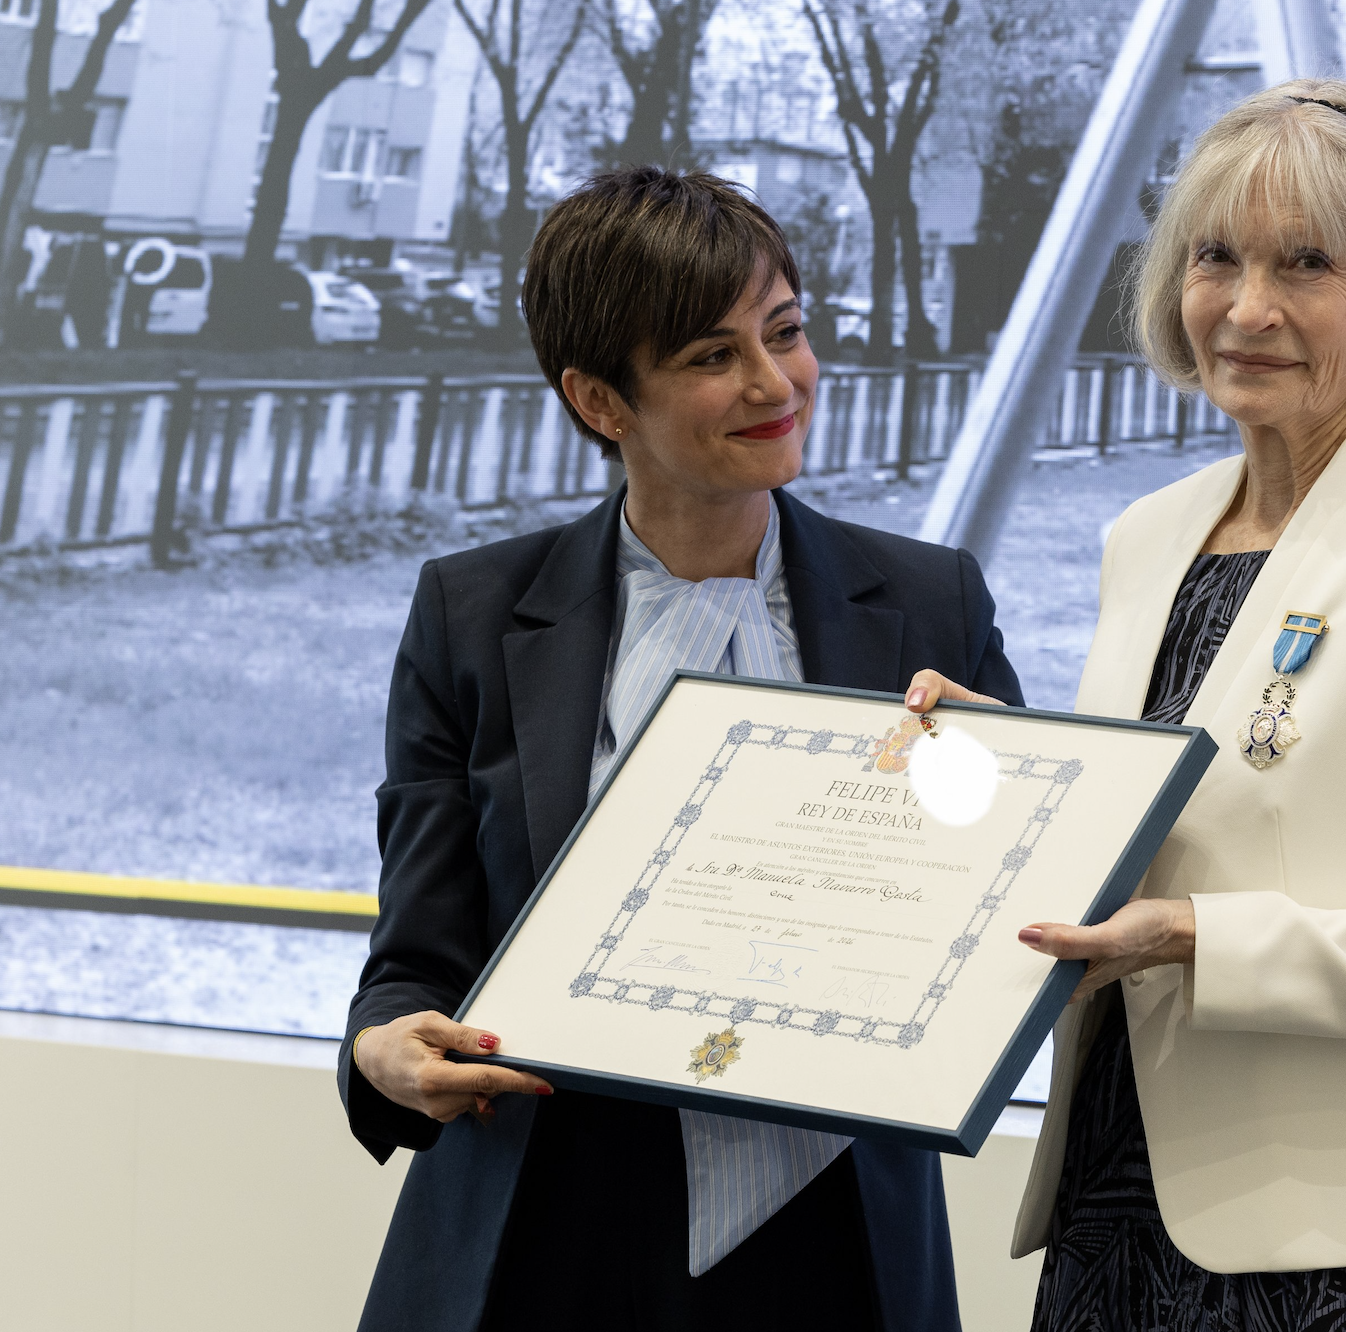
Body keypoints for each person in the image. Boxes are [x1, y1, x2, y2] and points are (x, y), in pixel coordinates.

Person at [916, 79, 1346, 1330]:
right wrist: (990, 770)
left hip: (1343, 1250)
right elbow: (1155, 831)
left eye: (1307, 263)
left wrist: (1196, 939)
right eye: (1213, 256)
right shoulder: (1149, 534)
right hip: (1109, 1209)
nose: (1247, 307)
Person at [338, 167, 1021, 1332]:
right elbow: (418, 955)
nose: (775, 383)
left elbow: (995, 911)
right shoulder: (473, 613)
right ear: (602, 400)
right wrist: (385, 1050)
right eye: (712, 357)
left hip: (833, 1230)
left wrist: (1004, 786)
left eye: (787, 332)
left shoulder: (926, 600)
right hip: (551, 1224)